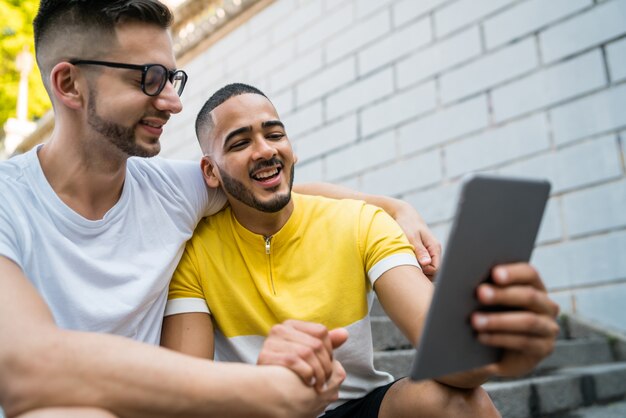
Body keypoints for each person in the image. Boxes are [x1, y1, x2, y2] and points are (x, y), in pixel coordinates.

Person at [0, 2, 442, 417]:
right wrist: (264, 388)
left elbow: (272, 186)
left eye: (173, 80)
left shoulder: (172, 191)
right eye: (148, 79)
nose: (172, 102)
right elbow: (25, 367)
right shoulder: (8, 201)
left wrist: (393, 208)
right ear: (68, 84)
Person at [161, 83, 561, 417]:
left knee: (460, 402)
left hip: (351, 407)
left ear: (292, 148)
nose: (264, 150)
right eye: (240, 142)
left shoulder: (360, 222)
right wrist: (261, 385)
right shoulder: (195, 251)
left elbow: (456, 366)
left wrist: (489, 332)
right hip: (256, 408)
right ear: (210, 172)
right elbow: (185, 393)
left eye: (275, 133)